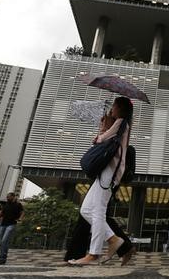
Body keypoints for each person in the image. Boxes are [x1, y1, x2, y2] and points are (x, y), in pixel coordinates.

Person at [69, 97, 132, 266]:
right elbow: (105, 138)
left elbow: (101, 139)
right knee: (86, 209)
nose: (112, 109)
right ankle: (113, 239)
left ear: (120, 107)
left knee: (98, 210)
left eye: (114, 106)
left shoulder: (122, 122)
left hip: (110, 172)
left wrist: (102, 130)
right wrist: (104, 128)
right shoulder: (119, 123)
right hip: (106, 172)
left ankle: (93, 254)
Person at [0, 192, 23, 265]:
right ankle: (3, 259)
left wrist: (20, 218)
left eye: (9, 197)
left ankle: (2, 258)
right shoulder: (5, 204)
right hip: (3, 224)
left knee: (4, 241)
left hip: (11, 224)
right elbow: (2, 214)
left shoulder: (18, 204)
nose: (7, 198)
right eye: (7, 197)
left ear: (13, 197)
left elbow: (22, 212)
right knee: (2, 242)